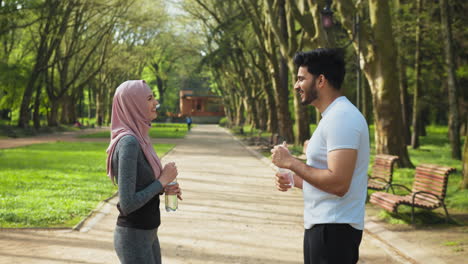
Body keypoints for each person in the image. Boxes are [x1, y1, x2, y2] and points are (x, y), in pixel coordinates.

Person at [271, 48, 370, 264]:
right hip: (324, 226)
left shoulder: (342, 117)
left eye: (301, 79)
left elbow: (338, 184)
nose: (296, 86)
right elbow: (327, 178)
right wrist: (293, 178)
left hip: (334, 230)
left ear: (321, 80)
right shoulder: (331, 117)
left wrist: (291, 162)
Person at [106, 80, 182, 264]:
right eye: (149, 98)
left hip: (148, 232)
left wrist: (163, 188)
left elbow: (140, 184)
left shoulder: (140, 138)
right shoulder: (129, 142)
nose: (156, 103)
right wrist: (162, 181)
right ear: (133, 104)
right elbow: (127, 203)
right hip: (134, 236)